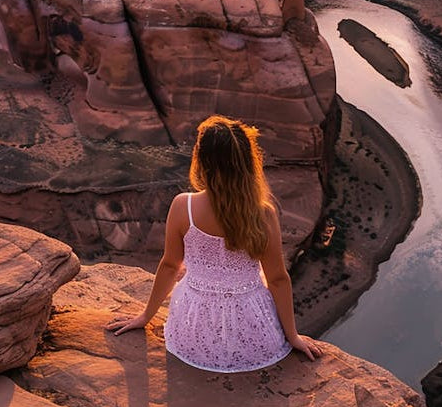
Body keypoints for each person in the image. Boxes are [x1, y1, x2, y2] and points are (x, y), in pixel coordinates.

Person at [106, 115, 322, 371]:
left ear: (202, 162)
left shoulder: (183, 206)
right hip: (251, 329)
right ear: (248, 162)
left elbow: (169, 266)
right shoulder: (262, 214)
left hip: (193, 331)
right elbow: (277, 279)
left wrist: (145, 316)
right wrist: (292, 336)